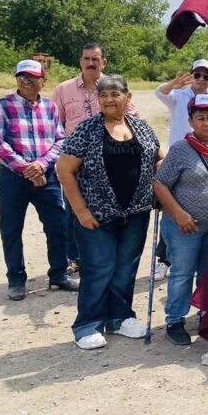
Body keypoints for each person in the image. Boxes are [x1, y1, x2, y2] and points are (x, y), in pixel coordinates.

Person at [57, 74, 164, 350]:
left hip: (136, 213)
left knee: (125, 270)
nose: (108, 99)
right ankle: (88, 325)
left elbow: (159, 156)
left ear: (128, 98)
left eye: (115, 94)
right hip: (96, 215)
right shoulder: (86, 130)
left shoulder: (141, 127)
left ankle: (120, 318)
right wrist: (80, 211)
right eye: (103, 95)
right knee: (98, 269)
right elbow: (65, 170)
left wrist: (160, 177)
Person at [152, 94, 208, 345]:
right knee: (182, 273)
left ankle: (205, 314)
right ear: (191, 121)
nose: (206, 123)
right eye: (200, 118)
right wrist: (178, 213)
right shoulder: (181, 150)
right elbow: (159, 184)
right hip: (185, 228)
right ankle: (175, 320)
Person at [52, 44, 141, 275]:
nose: (91, 63)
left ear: (104, 63)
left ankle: (104, 258)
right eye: (86, 58)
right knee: (75, 211)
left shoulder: (114, 86)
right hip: (75, 162)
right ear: (80, 61)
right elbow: (56, 126)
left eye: (96, 59)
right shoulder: (63, 89)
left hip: (112, 161)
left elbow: (132, 119)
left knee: (110, 212)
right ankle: (77, 258)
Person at [0, 59, 74, 301]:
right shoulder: (2, 106)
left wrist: (41, 165)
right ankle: (17, 279)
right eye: (21, 76)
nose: (26, 81)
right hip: (12, 177)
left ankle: (59, 274)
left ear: (43, 81)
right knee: (11, 229)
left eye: (31, 77)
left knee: (57, 225)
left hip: (47, 176)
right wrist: (26, 168)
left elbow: (60, 140)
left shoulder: (50, 107)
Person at [155, 59, 208, 146]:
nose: (201, 79)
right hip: (178, 153)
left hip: (205, 154)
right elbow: (159, 93)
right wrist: (172, 85)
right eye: (197, 75)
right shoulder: (178, 96)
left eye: (206, 76)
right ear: (191, 76)